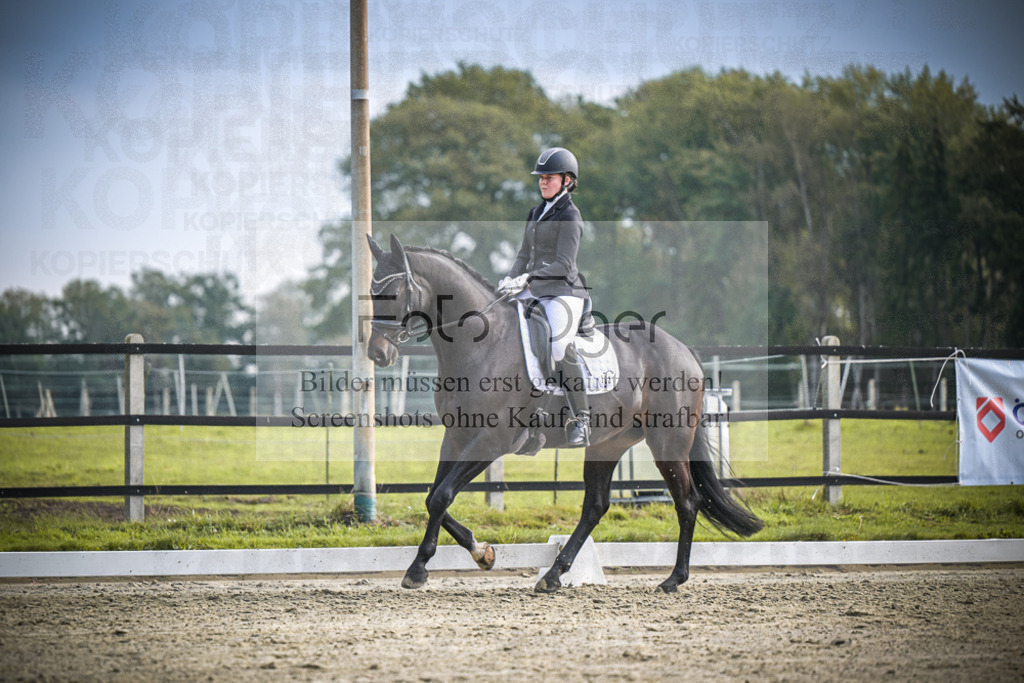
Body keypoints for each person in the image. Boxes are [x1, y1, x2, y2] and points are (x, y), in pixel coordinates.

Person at [497, 147, 591, 447]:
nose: (542, 182)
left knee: (559, 346)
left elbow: (564, 264)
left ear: (567, 181)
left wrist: (528, 278)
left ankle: (582, 420)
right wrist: (510, 279)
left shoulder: (571, 216)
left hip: (563, 292)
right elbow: (524, 255)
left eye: (549, 177)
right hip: (534, 289)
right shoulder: (536, 212)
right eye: (541, 178)